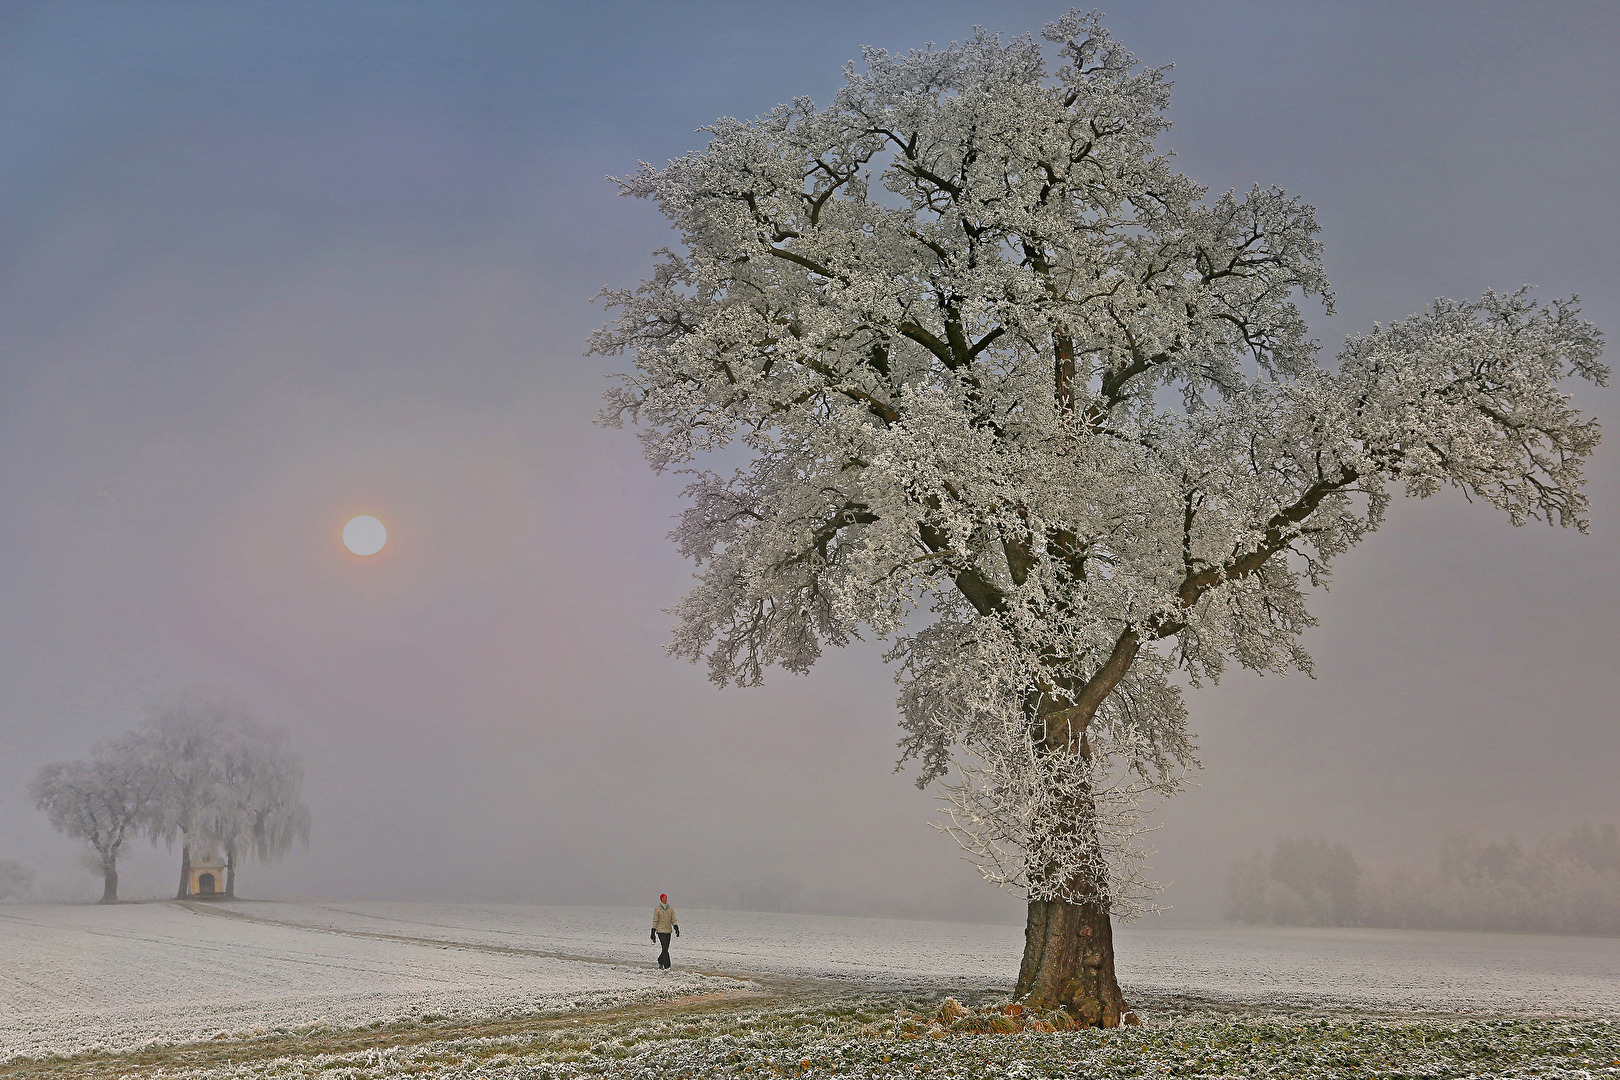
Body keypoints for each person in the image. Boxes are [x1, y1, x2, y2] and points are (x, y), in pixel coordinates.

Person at [650, 893, 679, 969]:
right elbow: (655, 920)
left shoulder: (671, 909)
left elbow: (673, 919)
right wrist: (653, 931)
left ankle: (660, 960)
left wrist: (676, 927)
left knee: (666, 948)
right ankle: (667, 965)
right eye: (663, 898)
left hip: (668, 930)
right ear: (661, 899)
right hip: (660, 931)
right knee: (664, 948)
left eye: (665, 898)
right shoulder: (657, 909)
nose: (664, 899)